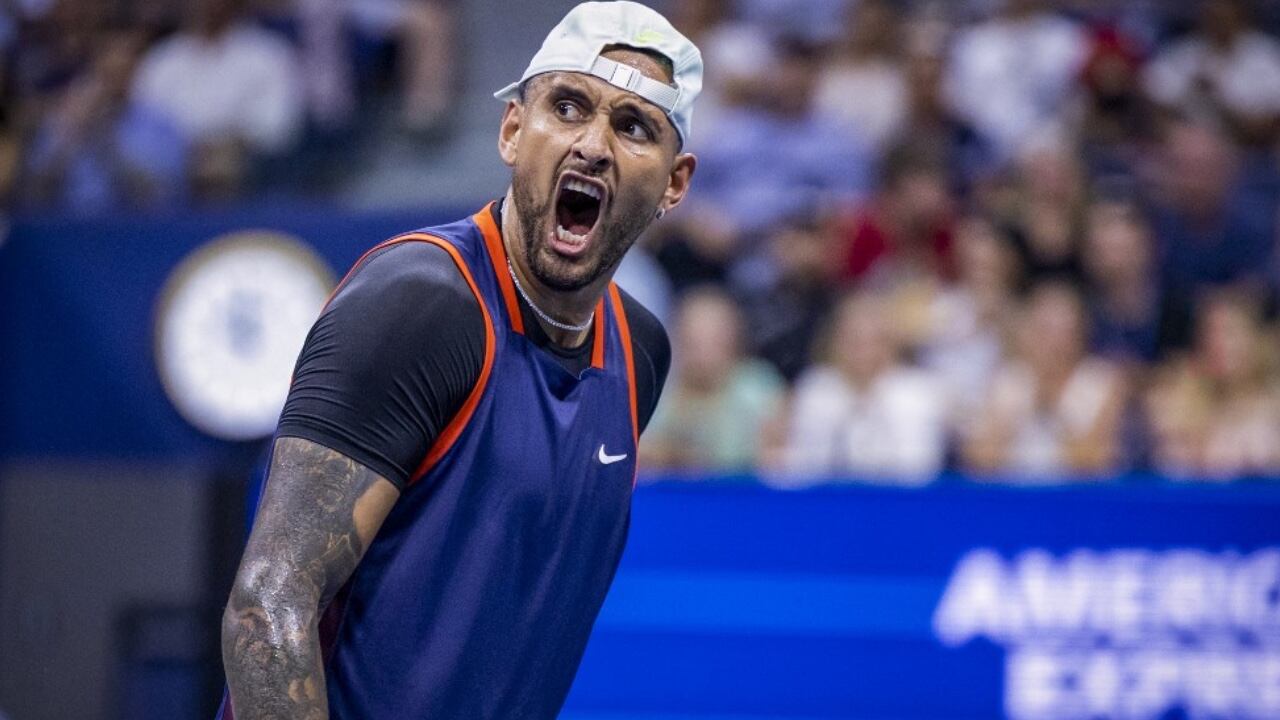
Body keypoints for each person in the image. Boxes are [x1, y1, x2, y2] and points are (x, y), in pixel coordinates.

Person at [217, 3, 699, 718]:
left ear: (674, 183)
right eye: (568, 108)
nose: (593, 145)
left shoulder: (641, 353)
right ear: (511, 130)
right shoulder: (419, 304)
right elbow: (268, 606)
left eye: (633, 128)